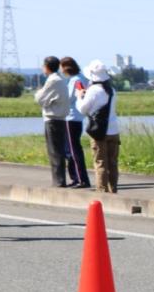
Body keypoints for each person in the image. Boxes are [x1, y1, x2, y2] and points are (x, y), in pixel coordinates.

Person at [74, 60, 121, 193]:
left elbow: (83, 109)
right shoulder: (111, 90)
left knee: (100, 163)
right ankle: (113, 190)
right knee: (112, 163)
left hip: (99, 132)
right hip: (114, 130)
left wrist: (79, 97)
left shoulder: (93, 90)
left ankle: (102, 191)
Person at [34, 56, 71, 187]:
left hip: (53, 119)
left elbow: (40, 99)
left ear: (47, 67)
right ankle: (59, 181)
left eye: (43, 66)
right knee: (58, 150)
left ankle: (58, 182)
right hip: (60, 119)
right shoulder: (60, 79)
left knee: (55, 152)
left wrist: (38, 92)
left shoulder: (52, 80)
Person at [59, 57, 91, 189]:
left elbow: (69, 98)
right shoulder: (82, 78)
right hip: (77, 117)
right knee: (72, 149)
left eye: (61, 67)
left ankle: (81, 179)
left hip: (71, 117)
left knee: (73, 150)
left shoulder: (75, 80)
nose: (61, 70)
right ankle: (76, 178)